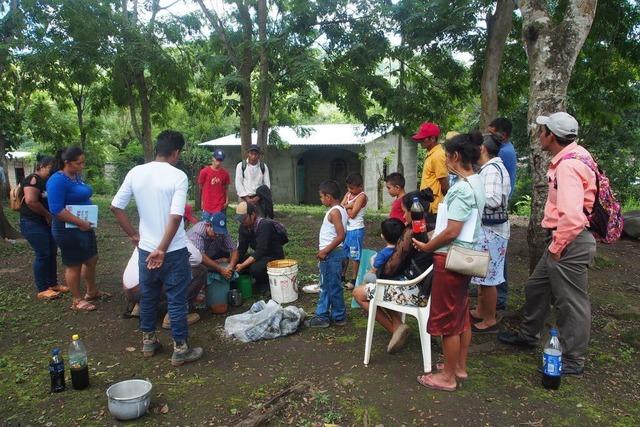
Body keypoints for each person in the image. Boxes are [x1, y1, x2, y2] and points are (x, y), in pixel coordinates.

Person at [498, 112, 597, 376]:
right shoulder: (577, 155)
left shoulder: (568, 167)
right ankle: (528, 335)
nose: (539, 135)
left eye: (542, 131)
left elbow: (573, 217)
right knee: (536, 286)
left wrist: (556, 248)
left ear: (551, 136)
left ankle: (573, 358)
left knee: (571, 302)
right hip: (563, 239)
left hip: (569, 241)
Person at [111, 130, 203, 366]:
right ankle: (180, 349)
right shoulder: (178, 176)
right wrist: (162, 248)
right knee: (176, 297)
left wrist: (134, 235)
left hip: (145, 249)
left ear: (157, 150)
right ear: (176, 152)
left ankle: (149, 341)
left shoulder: (136, 172)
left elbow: (116, 207)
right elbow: (175, 217)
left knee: (149, 295)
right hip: (171, 251)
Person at [412, 132, 486, 392]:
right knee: (461, 314)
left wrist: (428, 244)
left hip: (450, 258)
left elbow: (452, 230)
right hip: (467, 257)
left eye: (446, 157)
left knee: (447, 321)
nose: (444, 161)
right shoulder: (476, 182)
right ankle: (458, 367)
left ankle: (447, 378)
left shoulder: (461, 189)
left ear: (455, 157)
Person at [353, 190, 434, 353]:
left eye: (404, 212)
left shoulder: (412, 231)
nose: (404, 217)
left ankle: (395, 329)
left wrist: (376, 269)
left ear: (413, 211)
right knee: (384, 287)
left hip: (413, 291)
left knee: (358, 293)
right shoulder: (430, 225)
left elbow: (391, 268)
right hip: (426, 286)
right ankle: (398, 326)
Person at [47, 147, 108, 311]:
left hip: (84, 227)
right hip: (68, 229)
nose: (82, 166)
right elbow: (56, 210)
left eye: (83, 162)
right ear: (67, 162)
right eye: (78, 163)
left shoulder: (75, 177)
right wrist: (80, 222)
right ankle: (76, 299)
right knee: (74, 263)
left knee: (91, 259)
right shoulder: (57, 180)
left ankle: (92, 291)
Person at [469, 134, 511, 333]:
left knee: (489, 278)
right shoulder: (491, 168)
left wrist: (472, 195)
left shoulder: (492, 170)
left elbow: (493, 200)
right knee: (482, 275)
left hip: (493, 232)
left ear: (483, 149)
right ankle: (480, 310)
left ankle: (489, 319)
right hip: (488, 231)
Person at [122, 240, 205, 329]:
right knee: (199, 270)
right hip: (144, 288)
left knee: (155, 268)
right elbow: (197, 259)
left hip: (129, 289)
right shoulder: (177, 235)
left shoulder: (147, 233)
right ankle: (173, 317)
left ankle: (140, 307)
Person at [19, 156, 68, 299]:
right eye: (50, 167)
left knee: (52, 252)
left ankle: (53, 284)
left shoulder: (48, 181)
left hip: (46, 223)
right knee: (43, 254)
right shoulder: (33, 180)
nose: (52, 170)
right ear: (42, 166)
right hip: (32, 223)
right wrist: (47, 215)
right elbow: (30, 201)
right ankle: (42, 288)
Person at [306, 180, 348, 328]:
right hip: (333, 254)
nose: (321, 199)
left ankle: (332, 316)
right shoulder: (341, 209)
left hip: (331, 255)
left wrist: (325, 250)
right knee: (329, 285)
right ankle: (329, 314)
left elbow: (341, 235)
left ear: (329, 197)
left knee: (330, 286)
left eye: (322, 197)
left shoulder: (335, 212)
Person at [488, 118, 516, 311]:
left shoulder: (504, 152)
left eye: (491, 133)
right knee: (494, 256)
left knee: (498, 256)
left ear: (502, 135)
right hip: (499, 209)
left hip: (497, 212)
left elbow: (496, 190)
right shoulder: (506, 150)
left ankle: (500, 296)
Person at [234, 201, 285, 293]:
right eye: (240, 219)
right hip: (260, 256)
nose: (242, 221)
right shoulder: (243, 227)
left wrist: (242, 265)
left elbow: (260, 251)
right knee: (237, 260)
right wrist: (233, 262)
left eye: (244, 218)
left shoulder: (264, 225)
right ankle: (254, 280)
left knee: (255, 268)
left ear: (252, 215)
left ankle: (266, 283)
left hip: (273, 256)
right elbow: (241, 248)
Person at [413, 122, 449, 225]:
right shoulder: (431, 154)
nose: (420, 141)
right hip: (428, 206)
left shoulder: (437, 155)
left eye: (423, 138)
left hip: (435, 208)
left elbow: (444, 184)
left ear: (432, 138)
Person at [187, 212, 239, 280]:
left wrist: (231, 266)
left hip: (211, 253)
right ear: (208, 225)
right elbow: (201, 257)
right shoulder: (197, 233)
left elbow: (234, 250)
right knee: (202, 267)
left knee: (228, 256)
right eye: (215, 233)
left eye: (220, 233)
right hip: (195, 259)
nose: (217, 235)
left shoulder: (222, 231)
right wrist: (220, 269)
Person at [341, 172, 367, 290]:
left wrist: (347, 206)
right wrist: (349, 205)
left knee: (355, 255)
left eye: (352, 188)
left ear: (360, 186)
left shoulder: (361, 196)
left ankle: (353, 279)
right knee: (344, 254)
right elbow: (341, 207)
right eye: (348, 187)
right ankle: (342, 276)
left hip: (356, 230)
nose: (349, 190)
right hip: (348, 229)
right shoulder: (348, 194)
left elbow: (352, 214)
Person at [198, 149, 230, 222]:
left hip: (220, 205)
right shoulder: (204, 172)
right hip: (207, 205)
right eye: (217, 159)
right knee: (205, 228)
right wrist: (202, 201)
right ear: (213, 158)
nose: (218, 162)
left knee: (219, 228)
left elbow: (226, 188)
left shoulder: (225, 173)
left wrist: (227, 200)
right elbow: (201, 187)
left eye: (220, 160)